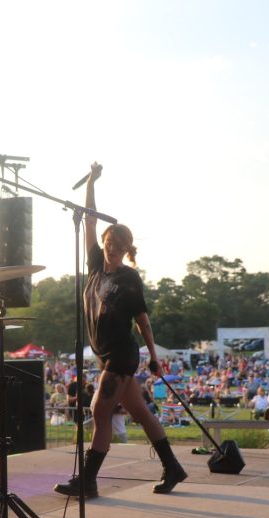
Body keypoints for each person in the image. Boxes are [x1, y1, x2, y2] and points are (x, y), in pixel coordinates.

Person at [53, 163, 186, 497]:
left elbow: (142, 320)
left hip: (122, 356)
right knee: (139, 411)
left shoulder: (129, 278)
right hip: (107, 357)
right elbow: (90, 217)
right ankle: (173, 467)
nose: (112, 247)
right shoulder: (96, 264)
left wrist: (154, 356)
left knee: (100, 410)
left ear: (127, 249)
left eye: (119, 244)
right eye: (110, 241)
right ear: (104, 242)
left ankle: (88, 480)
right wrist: (91, 183)